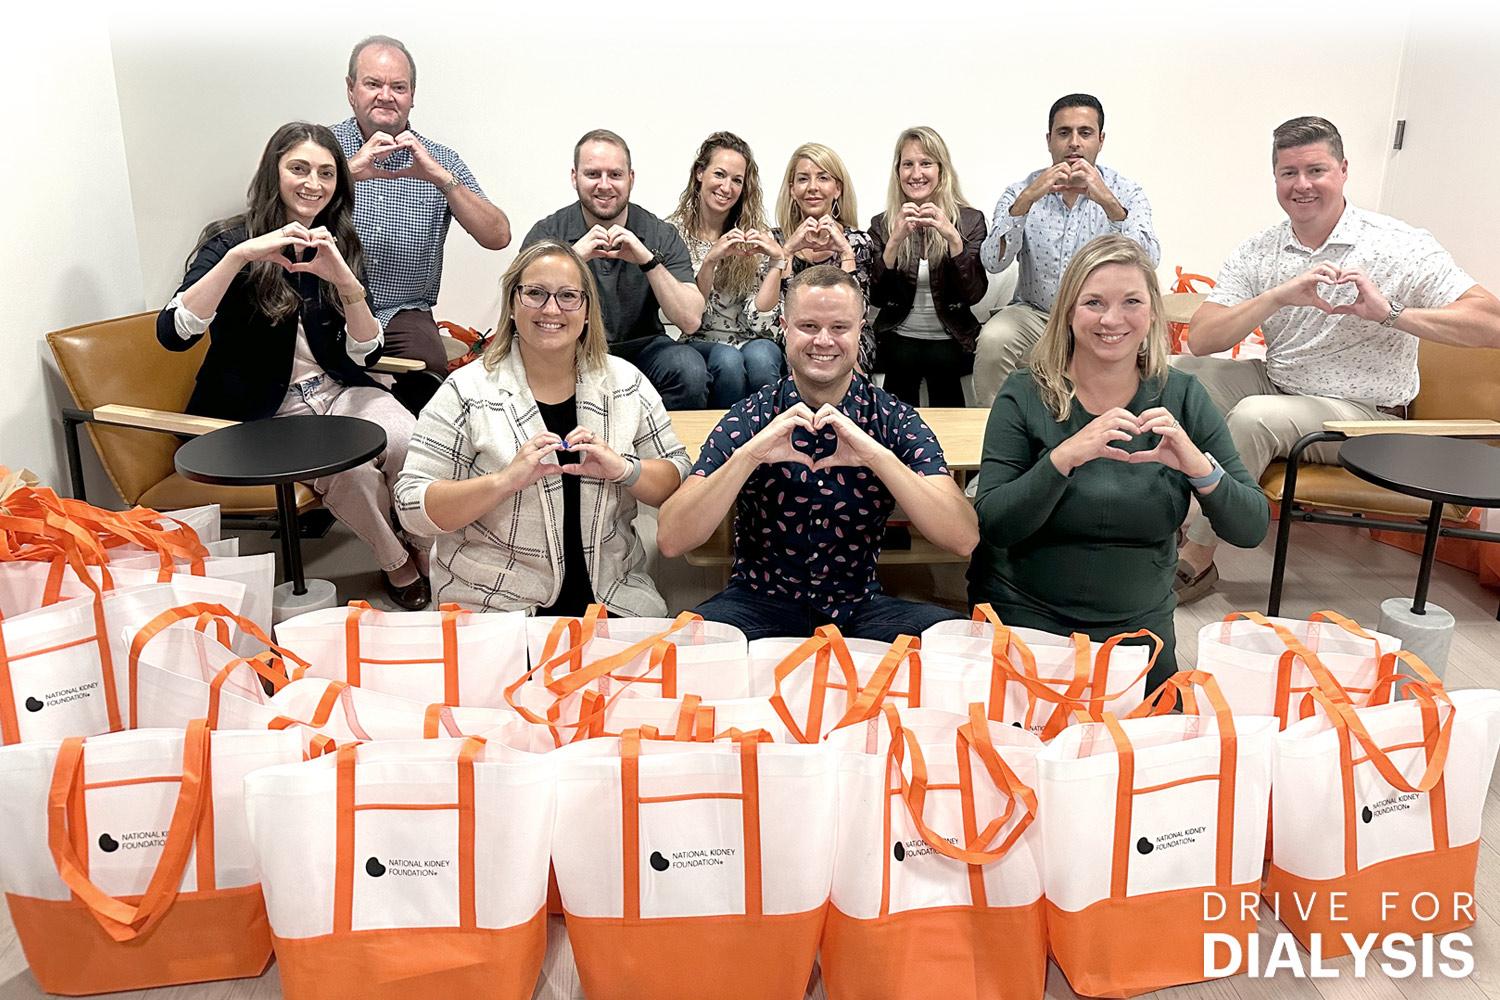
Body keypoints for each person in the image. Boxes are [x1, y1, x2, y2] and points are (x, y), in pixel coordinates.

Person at [1176, 115, 1500, 602]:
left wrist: (1390, 313)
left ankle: (1196, 559)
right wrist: (1278, 297)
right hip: (1281, 382)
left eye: (1316, 170)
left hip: (1365, 415)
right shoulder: (1261, 249)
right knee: (1173, 377)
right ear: (1276, 179)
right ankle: (1149, 525)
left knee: (1255, 416)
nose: (1302, 185)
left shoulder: (1399, 244)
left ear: (1344, 170)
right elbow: (1201, 339)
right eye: (1289, 173)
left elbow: (1492, 324)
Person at [969, 235, 1269, 690]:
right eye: (1093, 302)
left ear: (1152, 313)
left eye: (1131, 301)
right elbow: (994, 524)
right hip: (1028, 619)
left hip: (1139, 632)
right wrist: (1063, 458)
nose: (1112, 319)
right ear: (1068, 311)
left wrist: (1200, 469)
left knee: (1147, 753)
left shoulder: (1183, 396)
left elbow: (1249, 527)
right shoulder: (1024, 392)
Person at [157, 122, 430, 610]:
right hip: (267, 410)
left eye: (327, 173)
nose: (313, 183)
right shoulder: (227, 241)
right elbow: (174, 334)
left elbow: (365, 354)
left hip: (339, 388)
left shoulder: (337, 241)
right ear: (274, 172)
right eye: (299, 168)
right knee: (352, 475)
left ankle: (425, 547)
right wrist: (242, 255)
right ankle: (397, 563)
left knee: (409, 438)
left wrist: (348, 285)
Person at [658, 265, 977, 642]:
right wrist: (750, 456)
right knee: (683, 645)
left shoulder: (892, 418)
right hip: (758, 603)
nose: (823, 341)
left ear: (861, 329)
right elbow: (671, 538)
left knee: (961, 639)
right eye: (809, 326)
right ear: (784, 327)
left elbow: (963, 538)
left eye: (839, 328)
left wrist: (878, 458)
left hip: (858, 606)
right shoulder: (751, 415)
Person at [394, 240, 691, 615]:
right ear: (513, 305)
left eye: (568, 296)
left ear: (587, 311)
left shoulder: (624, 383)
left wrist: (624, 469)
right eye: (535, 293)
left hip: (614, 593)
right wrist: (504, 482)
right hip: (495, 601)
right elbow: (411, 507)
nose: (551, 309)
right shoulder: (466, 390)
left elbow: (676, 477)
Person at [332, 35, 510, 413]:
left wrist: (442, 180)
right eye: (372, 84)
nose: (386, 95)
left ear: (412, 96)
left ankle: (413, 460)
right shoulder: (322, 147)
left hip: (403, 310)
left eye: (398, 87)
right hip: (326, 304)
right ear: (351, 90)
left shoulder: (438, 158)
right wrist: (348, 174)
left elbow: (498, 236)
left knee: (428, 373)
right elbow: (274, 212)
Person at [974, 93, 1159, 407]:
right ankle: (991, 436)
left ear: (1100, 140)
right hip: (1035, 315)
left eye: (1085, 133)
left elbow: (1148, 261)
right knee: (994, 339)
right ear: (1049, 140)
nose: (1074, 143)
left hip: (1102, 316)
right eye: (1064, 133)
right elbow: (993, 261)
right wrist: (1026, 201)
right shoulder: (1021, 191)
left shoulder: (1126, 192)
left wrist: (1109, 203)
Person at [522, 130, 709, 410]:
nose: (605, 185)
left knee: (688, 367)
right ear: (575, 177)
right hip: (572, 347)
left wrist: (648, 261)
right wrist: (572, 260)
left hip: (643, 346)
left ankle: (665, 451)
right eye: (593, 174)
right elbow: (524, 308)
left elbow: (690, 320)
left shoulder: (660, 234)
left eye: (615, 175)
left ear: (631, 178)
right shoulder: (548, 233)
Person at [868, 126, 989, 407]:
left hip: (952, 337)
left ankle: (950, 448)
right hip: (898, 337)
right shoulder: (881, 224)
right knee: (903, 366)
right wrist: (895, 241)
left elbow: (973, 294)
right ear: (897, 172)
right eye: (907, 164)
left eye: (926, 163)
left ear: (941, 170)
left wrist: (952, 239)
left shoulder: (970, 221)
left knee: (942, 365)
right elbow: (875, 297)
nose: (916, 173)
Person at [668, 131, 785, 406]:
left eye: (737, 180)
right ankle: (726, 440)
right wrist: (710, 260)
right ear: (700, 173)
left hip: (750, 339)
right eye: (719, 174)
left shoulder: (753, 234)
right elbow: (688, 318)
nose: (727, 187)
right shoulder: (672, 234)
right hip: (697, 341)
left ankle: (772, 440)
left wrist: (776, 263)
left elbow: (762, 325)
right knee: (728, 360)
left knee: (762, 356)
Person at [754, 143, 877, 372]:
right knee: (795, 343)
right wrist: (787, 252)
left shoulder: (859, 241)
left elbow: (857, 312)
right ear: (792, 189)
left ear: (837, 189)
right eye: (803, 179)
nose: (812, 187)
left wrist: (846, 254)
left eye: (823, 178)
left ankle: (852, 405)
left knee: (845, 344)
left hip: (845, 332)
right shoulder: (775, 240)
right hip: (789, 333)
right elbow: (771, 317)